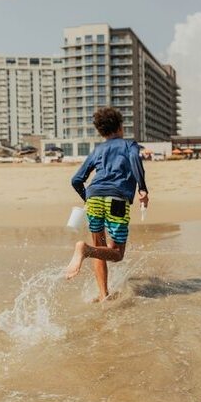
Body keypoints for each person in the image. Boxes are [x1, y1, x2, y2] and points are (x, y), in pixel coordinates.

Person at [65, 107, 150, 303]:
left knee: (100, 248)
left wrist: (88, 198)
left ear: (101, 131)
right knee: (117, 254)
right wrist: (143, 189)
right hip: (117, 199)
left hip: (94, 198)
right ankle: (83, 249)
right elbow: (135, 160)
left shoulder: (98, 150)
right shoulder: (129, 145)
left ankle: (104, 296)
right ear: (121, 126)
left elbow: (76, 180)